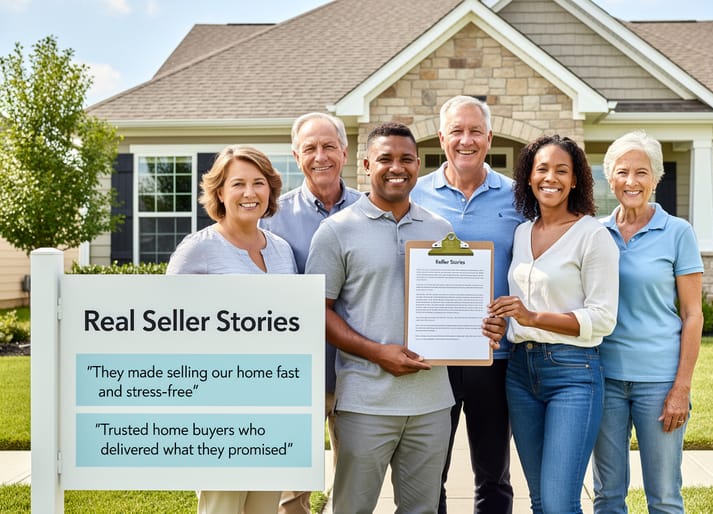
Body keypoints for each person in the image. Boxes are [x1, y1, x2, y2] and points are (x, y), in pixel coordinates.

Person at [306, 122, 504, 513]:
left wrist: (482, 328)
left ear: (418, 165)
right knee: (352, 508)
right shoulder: (336, 231)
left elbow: (457, 304)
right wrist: (378, 352)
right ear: (365, 165)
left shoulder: (440, 228)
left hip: (432, 403)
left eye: (406, 159)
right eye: (385, 159)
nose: (397, 167)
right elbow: (316, 311)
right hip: (366, 402)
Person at [489, 135, 619, 514]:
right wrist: (502, 321)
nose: (551, 178)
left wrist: (532, 317)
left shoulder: (593, 236)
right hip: (520, 372)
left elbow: (602, 318)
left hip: (573, 374)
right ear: (528, 178)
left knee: (561, 504)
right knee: (542, 501)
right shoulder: (521, 232)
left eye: (562, 170)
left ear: (576, 179)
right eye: (542, 169)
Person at [167, 145, 296, 514]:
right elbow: (167, 328)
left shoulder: (281, 250)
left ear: (270, 191)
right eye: (237, 183)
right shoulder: (197, 251)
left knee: (263, 508)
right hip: (220, 411)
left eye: (259, 183)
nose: (249, 193)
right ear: (220, 193)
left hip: (274, 406)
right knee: (222, 507)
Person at [410, 95, 523, 514]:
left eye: (475, 130)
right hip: (433, 356)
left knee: (493, 474)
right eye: (456, 130)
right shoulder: (415, 195)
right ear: (442, 138)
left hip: (494, 354)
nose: (466, 139)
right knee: (429, 472)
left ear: (489, 137)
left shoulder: (517, 197)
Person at [590, 130, 704, 514]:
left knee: (665, 497)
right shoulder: (595, 233)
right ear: (611, 179)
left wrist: (681, 388)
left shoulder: (677, 233)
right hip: (604, 378)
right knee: (607, 495)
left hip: (659, 382)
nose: (632, 181)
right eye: (623, 172)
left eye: (642, 172)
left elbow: (692, 315)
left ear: (655, 178)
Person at [259, 112, 361, 514]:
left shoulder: (370, 211)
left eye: (329, 146)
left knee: (354, 484)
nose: (321, 156)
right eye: (310, 148)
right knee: (290, 494)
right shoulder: (272, 217)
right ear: (296, 155)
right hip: (297, 373)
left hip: (356, 370)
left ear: (345, 151)